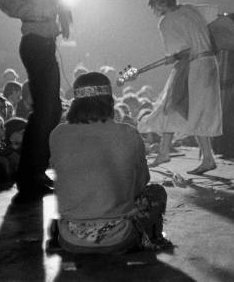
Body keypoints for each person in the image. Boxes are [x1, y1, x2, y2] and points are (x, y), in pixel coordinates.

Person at [0, 0, 124, 199]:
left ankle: (35, 172)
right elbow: (6, 2)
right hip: (34, 44)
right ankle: (29, 175)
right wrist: (36, 12)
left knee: (51, 109)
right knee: (46, 110)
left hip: (45, 44)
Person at [49, 72, 169, 253]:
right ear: (110, 101)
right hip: (119, 237)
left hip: (70, 238)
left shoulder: (57, 134)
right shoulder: (128, 133)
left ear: (75, 103)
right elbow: (142, 181)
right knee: (156, 192)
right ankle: (152, 238)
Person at [138, 0, 222, 175]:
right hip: (210, 63)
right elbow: (213, 19)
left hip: (194, 67)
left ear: (159, 3)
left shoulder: (166, 21)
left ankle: (204, 158)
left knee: (182, 107)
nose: (152, 8)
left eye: (152, 3)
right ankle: (165, 152)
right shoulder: (190, 9)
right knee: (175, 106)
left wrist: (172, 57)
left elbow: (179, 51)